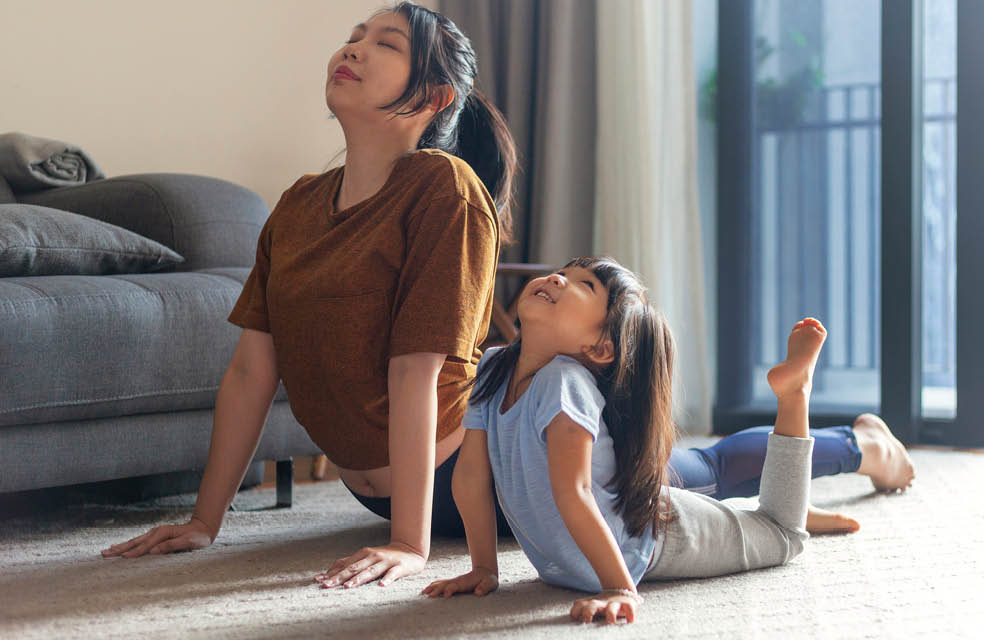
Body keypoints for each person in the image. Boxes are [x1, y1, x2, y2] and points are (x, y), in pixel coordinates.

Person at [102, 3, 914, 589]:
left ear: (430, 99)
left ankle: (859, 446)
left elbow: (417, 371)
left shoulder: (444, 189)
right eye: (353, 35)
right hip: (374, 480)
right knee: (677, 479)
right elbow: (252, 371)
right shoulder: (298, 205)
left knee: (672, 471)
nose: (352, 47)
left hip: (483, 454)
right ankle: (798, 489)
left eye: (384, 43)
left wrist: (412, 544)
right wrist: (206, 522)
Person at [422, 257, 835, 624]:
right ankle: (746, 510)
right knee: (759, 521)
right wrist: (484, 570)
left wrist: (620, 588)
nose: (557, 279)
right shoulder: (494, 368)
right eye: (562, 272)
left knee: (783, 534)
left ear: (601, 347)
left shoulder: (562, 382)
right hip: (584, 558)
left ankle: (794, 395)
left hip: (657, 535)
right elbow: (470, 477)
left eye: (584, 285)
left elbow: (574, 491)